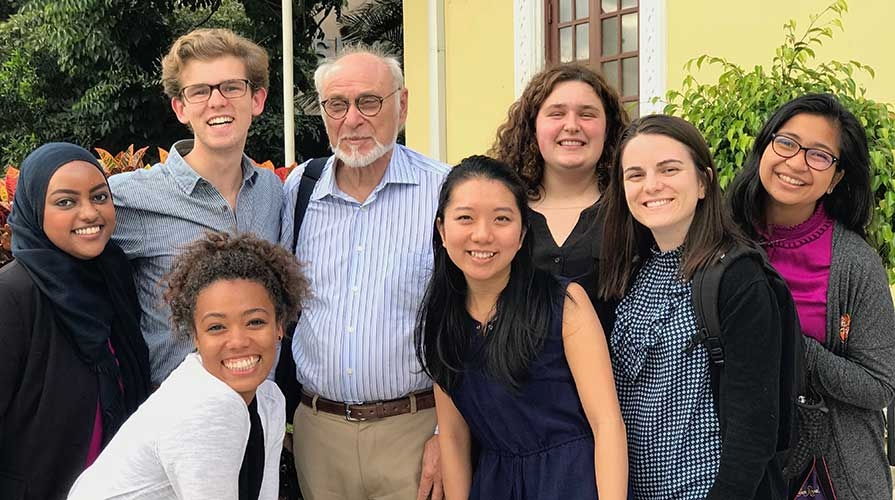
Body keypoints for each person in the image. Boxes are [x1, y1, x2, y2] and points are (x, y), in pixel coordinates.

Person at [279, 45, 450, 500]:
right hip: (320, 434)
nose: (352, 119)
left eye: (369, 102)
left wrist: (447, 435)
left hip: (414, 430)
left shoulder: (445, 192)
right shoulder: (300, 190)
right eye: (337, 104)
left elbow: (473, 320)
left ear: (403, 104)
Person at [415, 155, 628, 499]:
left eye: (502, 219)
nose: (483, 235)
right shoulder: (442, 319)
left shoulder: (564, 304)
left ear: (522, 231)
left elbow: (607, 425)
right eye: (465, 218)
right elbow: (453, 438)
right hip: (496, 485)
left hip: (572, 482)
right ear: (442, 230)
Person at [599, 115, 785, 499]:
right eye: (635, 175)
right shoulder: (631, 271)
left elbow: (754, 426)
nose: (652, 185)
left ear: (703, 181)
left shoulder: (737, 276)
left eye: (669, 169)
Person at [726, 93, 895, 499]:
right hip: (734, 465)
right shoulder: (720, 241)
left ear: (836, 178)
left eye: (819, 155)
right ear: (765, 145)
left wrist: (787, 339)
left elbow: (878, 385)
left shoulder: (856, 264)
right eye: (786, 143)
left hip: (832, 474)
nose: (797, 162)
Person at [67, 232, 310, 499]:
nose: (238, 341)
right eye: (216, 327)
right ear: (196, 336)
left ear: (279, 326)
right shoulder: (206, 406)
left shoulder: (270, 400)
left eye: (255, 322)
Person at [109, 28, 283, 386]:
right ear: (181, 108)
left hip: (259, 415)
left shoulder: (272, 192)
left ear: (257, 99)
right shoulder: (129, 198)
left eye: (231, 87)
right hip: (176, 421)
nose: (217, 101)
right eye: (199, 91)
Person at [0, 143, 150, 500]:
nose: (89, 213)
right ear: (36, 210)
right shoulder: (13, 295)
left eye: (99, 197)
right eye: (66, 202)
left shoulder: (114, 277)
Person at [490, 63, 629, 331]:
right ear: (533, 127)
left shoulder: (630, 209)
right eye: (557, 114)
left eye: (587, 114)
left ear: (608, 127)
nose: (572, 126)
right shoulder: (503, 210)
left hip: (612, 373)